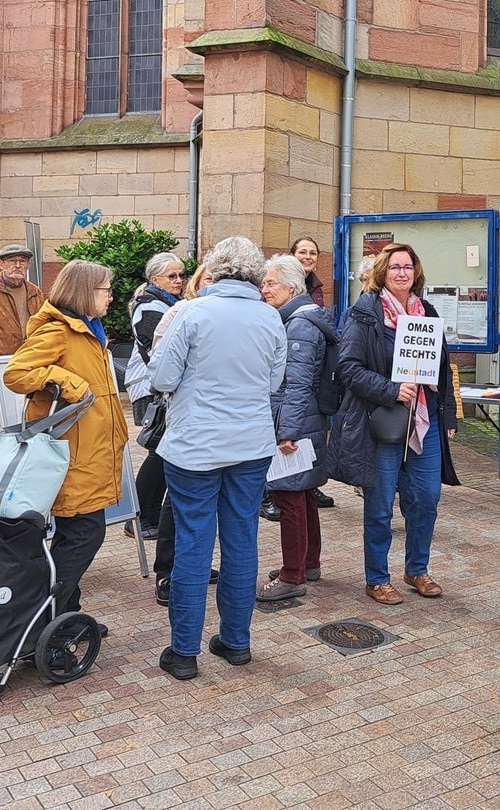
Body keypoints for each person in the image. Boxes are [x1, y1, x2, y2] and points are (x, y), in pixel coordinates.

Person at [148, 236, 287, 679]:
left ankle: (185, 651)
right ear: (252, 273)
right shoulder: (270, 317)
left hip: (195, 445)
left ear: (214, 269)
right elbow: (273, 383)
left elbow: (163, 375)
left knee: (193, 542)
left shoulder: (190, 312)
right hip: (249, 444)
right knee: (241, 540)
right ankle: (236, 641)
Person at [329, 242, 459, 605]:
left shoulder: (427, 311)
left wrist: (448, 414)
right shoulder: (365, 312)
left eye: (408, 266)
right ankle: (377, 578)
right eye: (394, 267)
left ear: (416, 272)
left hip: (426, 419)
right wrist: (390, 389)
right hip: (383, 420)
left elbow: (444, 370)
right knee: (381, 502)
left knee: (427, 498)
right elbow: (348, 368)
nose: (402, 273)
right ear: (383, 272)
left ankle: (417, 569)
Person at [3, 260, 128, 635]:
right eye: (106, 289)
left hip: (89, 453)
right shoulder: (59, 332)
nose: (111, 296)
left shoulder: (88, 330)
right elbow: (16, 373)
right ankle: (45, 621)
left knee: (75, 535)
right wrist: (66, 380)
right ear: (85, 292)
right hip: (72, 456)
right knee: (83, 536)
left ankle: (65, 615)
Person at [257, 255, 337, 601]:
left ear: (292, 287)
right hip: (305, 419)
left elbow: (297, 384)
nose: (264, 288)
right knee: (302, 493)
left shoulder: (299, 326)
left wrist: (286, 432)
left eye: (270, 282)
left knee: (289, 495)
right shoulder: (300, 319)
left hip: (294, 422)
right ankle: (308, 562)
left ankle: (293, 576)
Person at [147, 261, 216, 607]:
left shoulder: (234, 317)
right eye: (209, 278)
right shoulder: (178, 314)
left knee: (208, 504)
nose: (215, 284)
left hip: (220, 430)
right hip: (186, 424)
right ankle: (167, 571)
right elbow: (160, 371)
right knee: (177, 500)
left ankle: (196, 565)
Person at [124, 253, 186, 543]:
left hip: (159, 385)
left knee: (160, 451)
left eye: (181, 275)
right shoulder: (150, 305)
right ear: (154, 279)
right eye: (171, 276)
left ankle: (143, 516)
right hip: (151, 387)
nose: (178, 281)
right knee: (159, 450)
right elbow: (156, 352)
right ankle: (140, 517)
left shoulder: (166, 303)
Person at [290, 236, 336, 509]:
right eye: (302, 252)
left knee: (313, 429)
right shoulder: (283, 281)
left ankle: (311, 483)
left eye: (313, 253)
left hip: (315, 361)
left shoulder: (316, 287)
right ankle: (272, 491)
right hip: (295, 355)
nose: (308, 257)